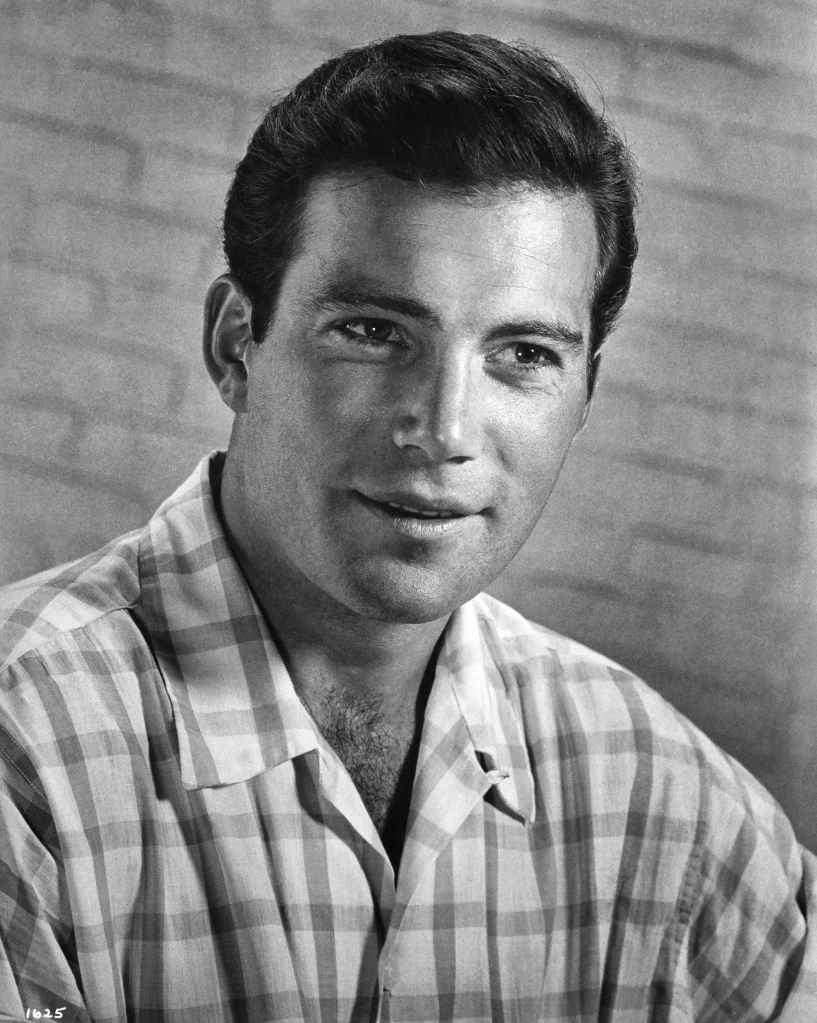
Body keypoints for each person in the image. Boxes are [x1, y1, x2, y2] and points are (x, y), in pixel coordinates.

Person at [0, 30, 814, 1023]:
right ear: (233, 344)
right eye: (375, 333)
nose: (443, 429)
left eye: (522, 353)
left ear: (583, 393)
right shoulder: (23, 759)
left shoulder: (668, 803)